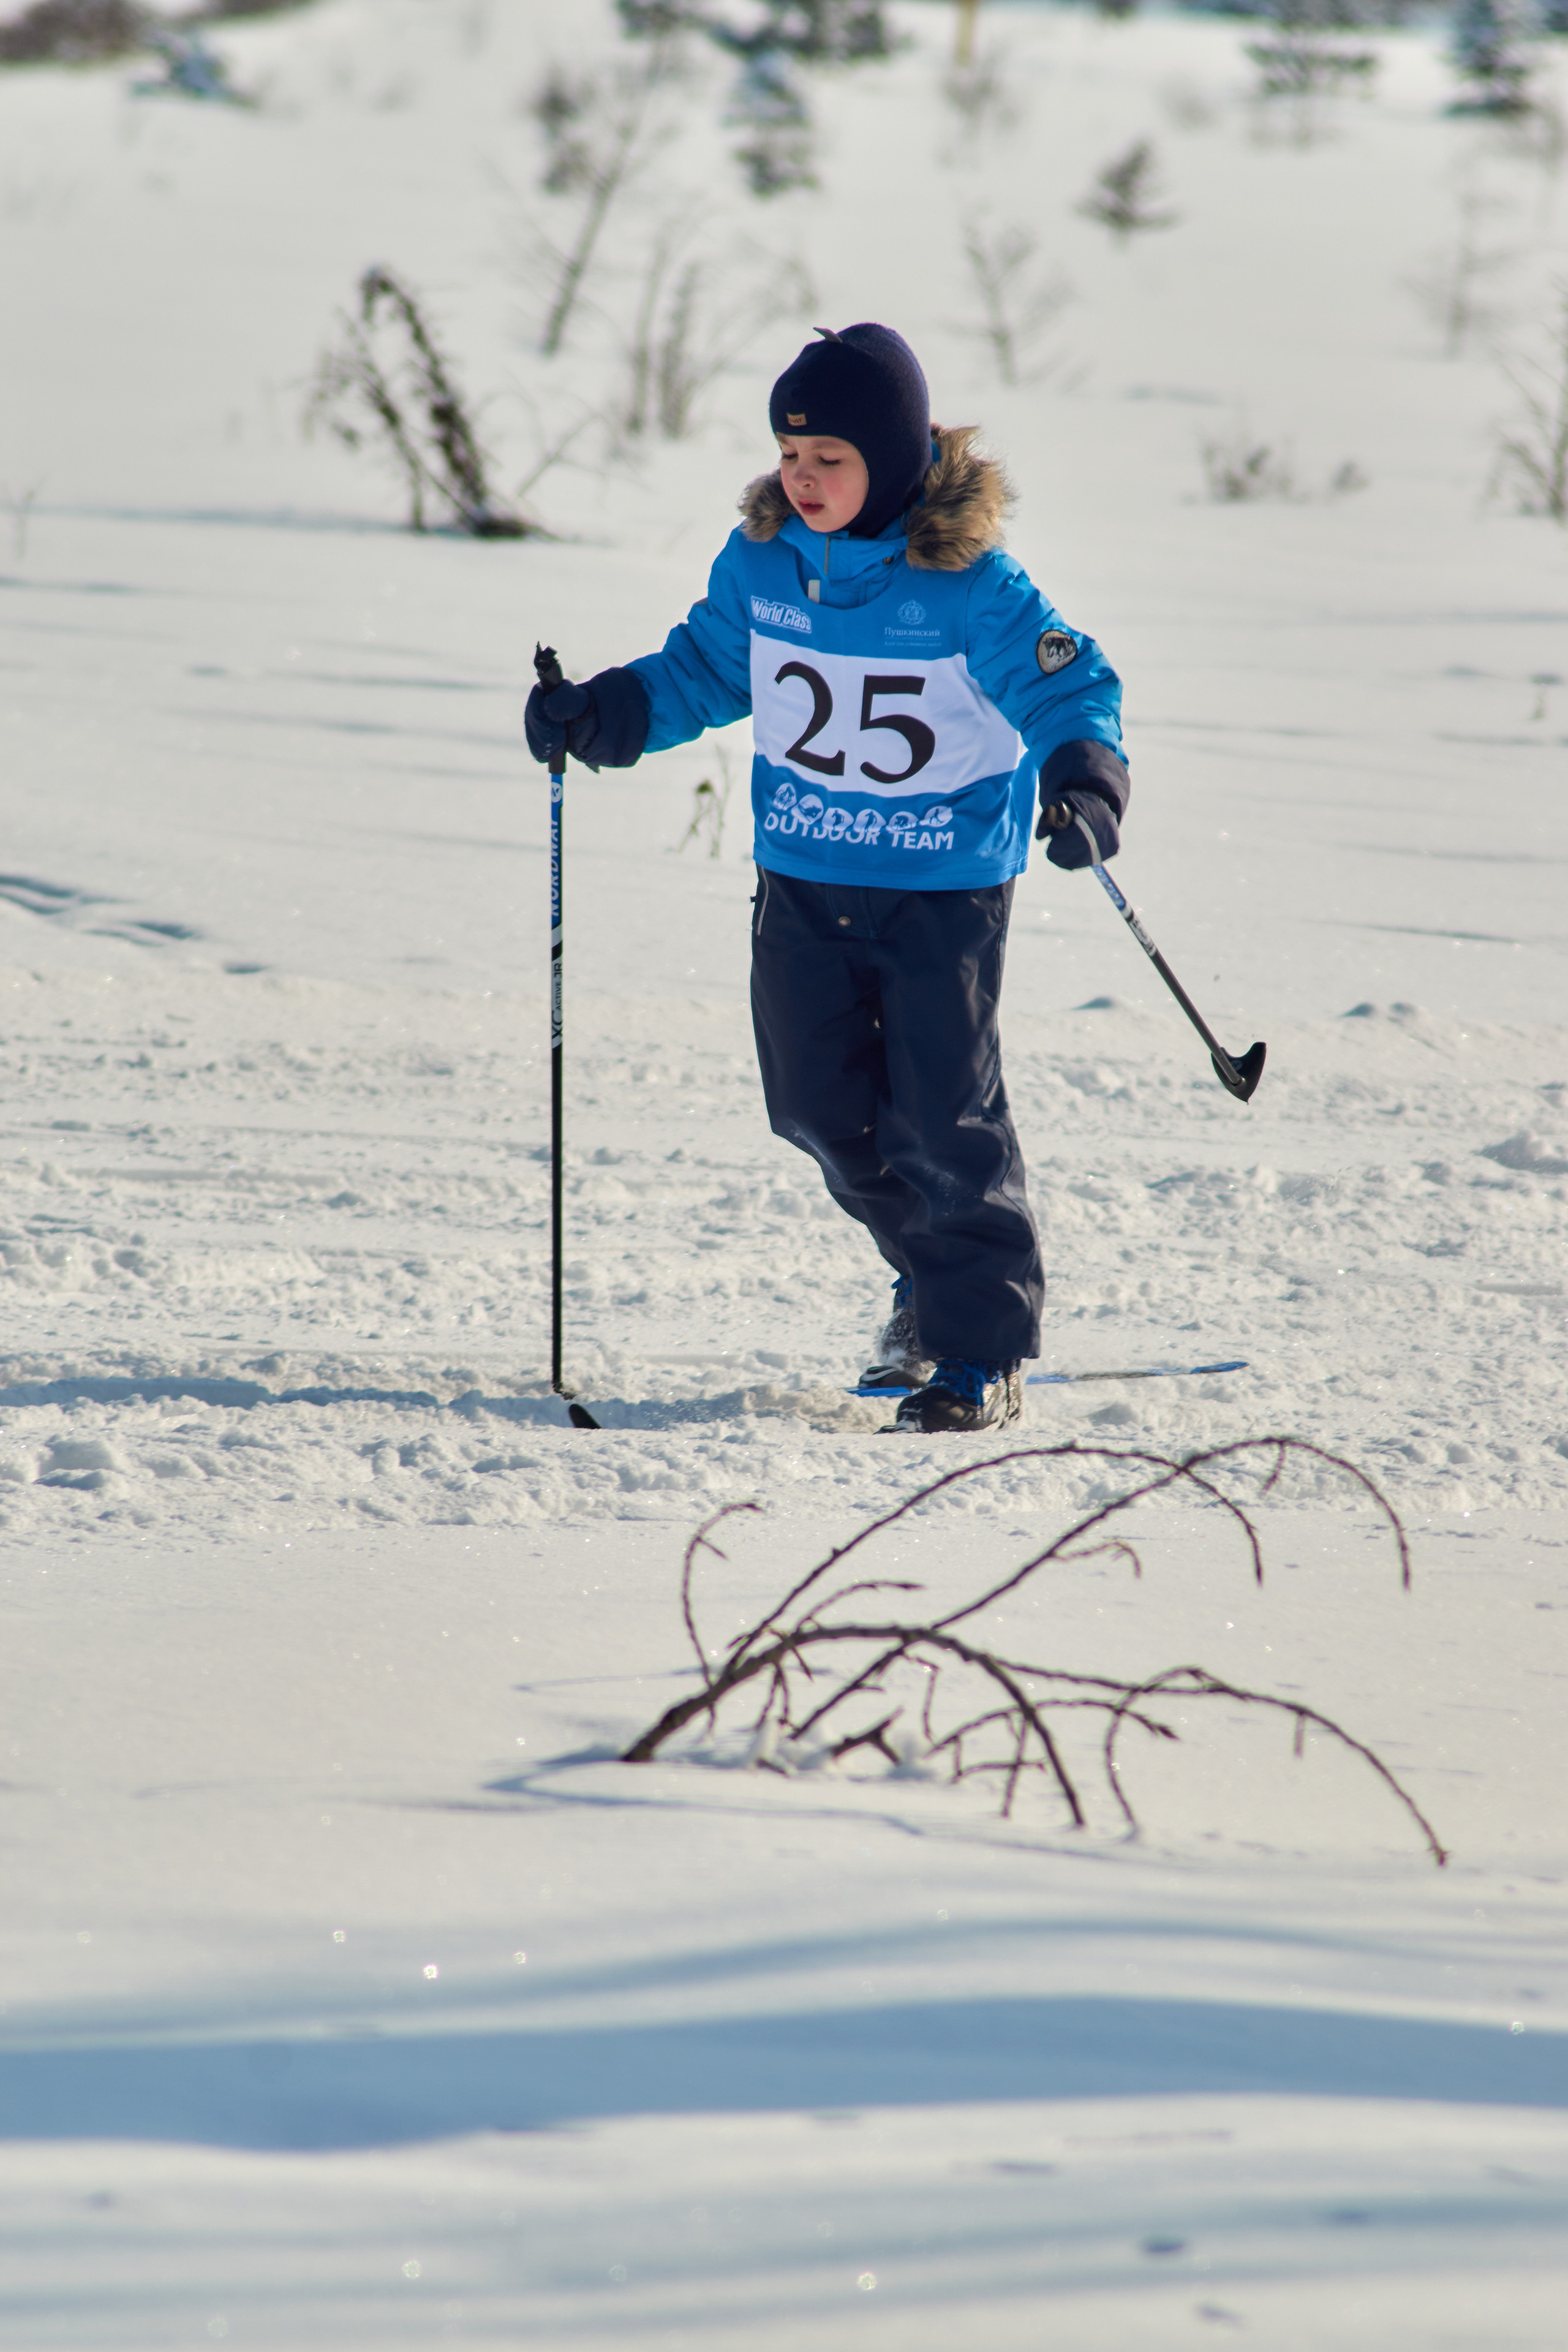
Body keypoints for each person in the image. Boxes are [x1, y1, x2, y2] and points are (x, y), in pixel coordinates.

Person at [526, 323, 1127, 1433]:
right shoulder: (762, 564)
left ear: (892, 462)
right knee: (817, 1108)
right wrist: (603, 713)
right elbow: (706, 668)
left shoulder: (968, 585)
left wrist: (1086, 778)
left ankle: (977, 1348)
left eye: (830, 459)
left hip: (941, 892)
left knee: (945, 1118)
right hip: (803, 878)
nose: (801, 479)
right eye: (790, 455)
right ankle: (928, 1280)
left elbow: (1067, 685)